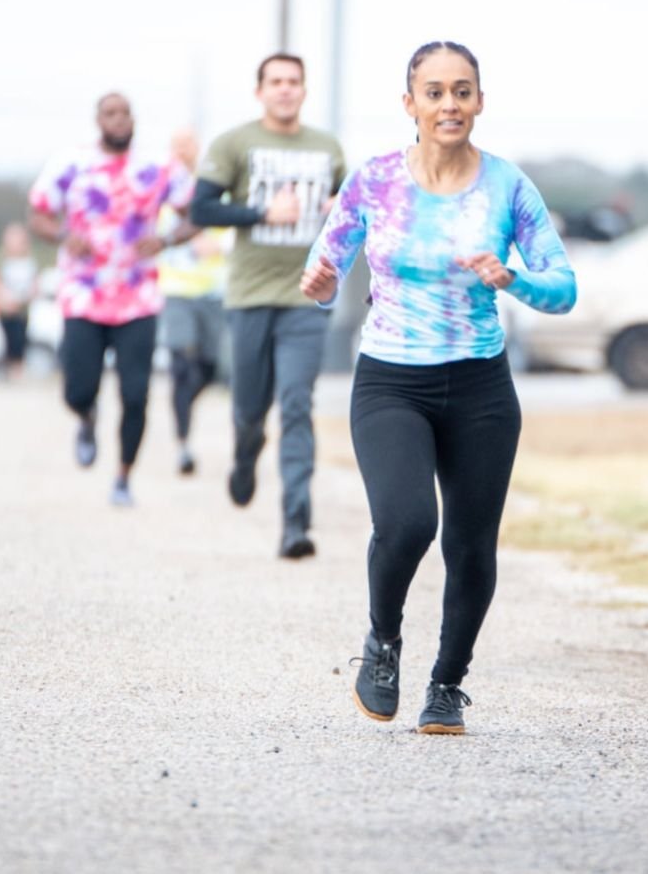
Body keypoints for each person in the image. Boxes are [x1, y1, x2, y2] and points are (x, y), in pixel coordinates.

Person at [300, 40, 577, 733]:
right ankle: (382, 641)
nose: (448, 104)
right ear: (410, 103)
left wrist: (512, 278)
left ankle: (447, 683)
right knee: (406, 522)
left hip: (479, 385)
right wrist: (321, 281)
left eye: (461, 91)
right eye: (434, 91)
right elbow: (325, 257)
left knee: (470, 543)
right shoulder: (374, 179)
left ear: (479, 101)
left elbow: (563, 288)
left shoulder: (508, 186)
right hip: (391, 381)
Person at [191, 53, 347, 559]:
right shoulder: (235, 143)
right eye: (275, 82)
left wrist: (337, 209)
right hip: (250, 296)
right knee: (249, 410)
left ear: (304, 90)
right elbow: (201, 208)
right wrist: (262, 212)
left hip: (304, 297)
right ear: (260, 91)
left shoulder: (327, 149)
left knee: (298, 404)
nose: (285, 89)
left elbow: (355, 208)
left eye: (293, 82)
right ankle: (245, 453)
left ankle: (295, 522)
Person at [28, 91, 194, 507]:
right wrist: (66, 236)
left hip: (138, 296)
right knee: (77, 389)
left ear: (134, 120)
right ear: (98, 120)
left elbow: (198, 213)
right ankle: (85, 416)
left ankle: (122, 476)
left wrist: (168, 238)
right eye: (110, 114)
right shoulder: (72, 163)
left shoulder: (157, 167)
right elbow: (39, 214)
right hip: (84, 294)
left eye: (125, 114)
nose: (119, 120)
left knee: (136, 394)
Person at [158, 128, 230, 476]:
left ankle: (184, 403)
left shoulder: (213, 184)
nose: (181, 150)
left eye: (187, 144)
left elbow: (234, 226)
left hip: (211, 291)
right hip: (175, 290)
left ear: (197, 148)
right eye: (176, 145)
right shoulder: (158, 186)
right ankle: (183, 444)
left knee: (208, 368)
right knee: (181, 361)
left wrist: (220, 246)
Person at [0, 222, 39, 378]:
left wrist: (27, 297)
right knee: (5, 340)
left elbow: (35, 285)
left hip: (22, 312)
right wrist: (1, 300)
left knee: (20, 340)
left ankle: (17, 370)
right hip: (3, 312)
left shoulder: (30, 261)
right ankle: (6, 369)